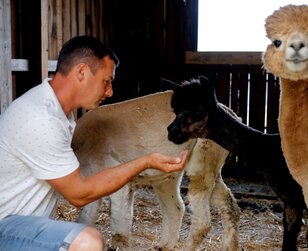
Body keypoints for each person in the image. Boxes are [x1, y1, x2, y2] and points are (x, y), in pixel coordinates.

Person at [0, 35, 188, 251]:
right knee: (88, 241)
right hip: (6, 228)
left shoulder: (55, 111)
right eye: (106, 82)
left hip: (22, 225)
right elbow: (79, 194)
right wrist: (145, 162)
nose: (110, 92)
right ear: (81, 72)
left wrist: (146, 160)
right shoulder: (41, 119)